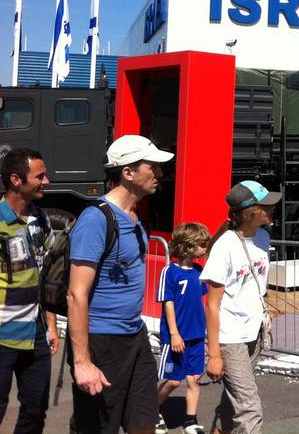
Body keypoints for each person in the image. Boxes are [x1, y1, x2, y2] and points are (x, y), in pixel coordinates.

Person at [67, 134, 173, 434]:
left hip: (134, 337)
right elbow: (76, 294)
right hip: (102, 342)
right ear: (128, 173)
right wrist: (83, 362)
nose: (160, 175)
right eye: (153, 167)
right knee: (98, 429)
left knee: (145, 423)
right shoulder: (95, 219)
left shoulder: (133, 217)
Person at [201, 181, 281, 434]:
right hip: (230, 337)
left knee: (233, 399)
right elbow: (212, 305)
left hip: (255, 332)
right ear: (249, 211)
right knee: (249, 408)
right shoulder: (225, 246)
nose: (273, 208)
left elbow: (254, 285)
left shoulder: (263, 237)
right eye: (266, 204)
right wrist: (214, 354)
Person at [0, 147, 59, 434]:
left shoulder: (41, 219)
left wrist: (51, 325)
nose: (46, 181)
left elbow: (45, 275)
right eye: (40, 176)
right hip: (2, 333)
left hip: (35, 334)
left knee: (35, 410)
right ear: (16, 180)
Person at [156, 222, 210, 434]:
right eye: (201, 245)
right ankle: (152, 410)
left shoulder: (199, 271)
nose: (205, 248)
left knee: (194, 379)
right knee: (173, 381)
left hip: (196, 336)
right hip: (176, 337)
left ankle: (190, 420)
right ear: (188, 247)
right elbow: (167, 303)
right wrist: (174, 334)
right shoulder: (170, 272)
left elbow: (203, 301)